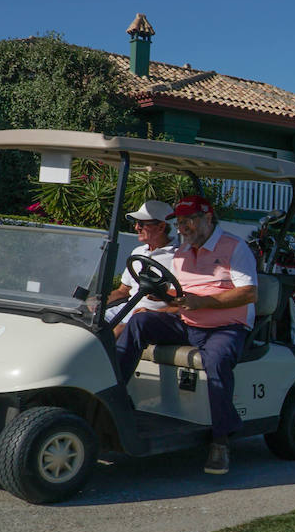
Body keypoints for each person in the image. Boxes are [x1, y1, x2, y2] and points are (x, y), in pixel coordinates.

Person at [114, 195, 258, 475]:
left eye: (189, 221)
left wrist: (202, 303)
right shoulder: (181, 252)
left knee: (216, 361)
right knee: (139, 322)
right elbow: (179, 297)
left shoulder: (234, 247)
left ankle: (221, 441)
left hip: (226, 327)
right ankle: (115, 400)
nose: (183, 228)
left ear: (207, 218)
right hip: (188, 323)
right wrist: (160, 298)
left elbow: (249, 293)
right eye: (180, 223)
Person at [104, 200, 177, 333]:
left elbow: (180, 301)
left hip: (154, 315)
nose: (136, 227)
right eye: (136, 223)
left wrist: (154, 312)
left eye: (142, 224)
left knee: (117, 331)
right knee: (87, 325)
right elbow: (123, 290)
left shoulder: (180, 256)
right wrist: (95, 303)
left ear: (161, 227)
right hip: (127, 309)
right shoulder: (138, 252)